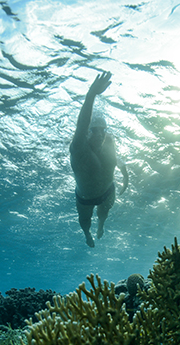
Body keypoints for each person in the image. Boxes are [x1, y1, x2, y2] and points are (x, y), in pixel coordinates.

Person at [70, 71, 128, 247]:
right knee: (85, 220)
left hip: (108, 191)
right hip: (85, 198)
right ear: (87, 132)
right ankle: (87, 234)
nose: (100, 134)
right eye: (95, 130)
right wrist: (91, 95)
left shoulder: (109, 140)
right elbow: (82, 124)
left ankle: (101, 225)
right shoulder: (79, 148)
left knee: (103, 215)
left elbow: (116, 160)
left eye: (103, 129)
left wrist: (125, 177)